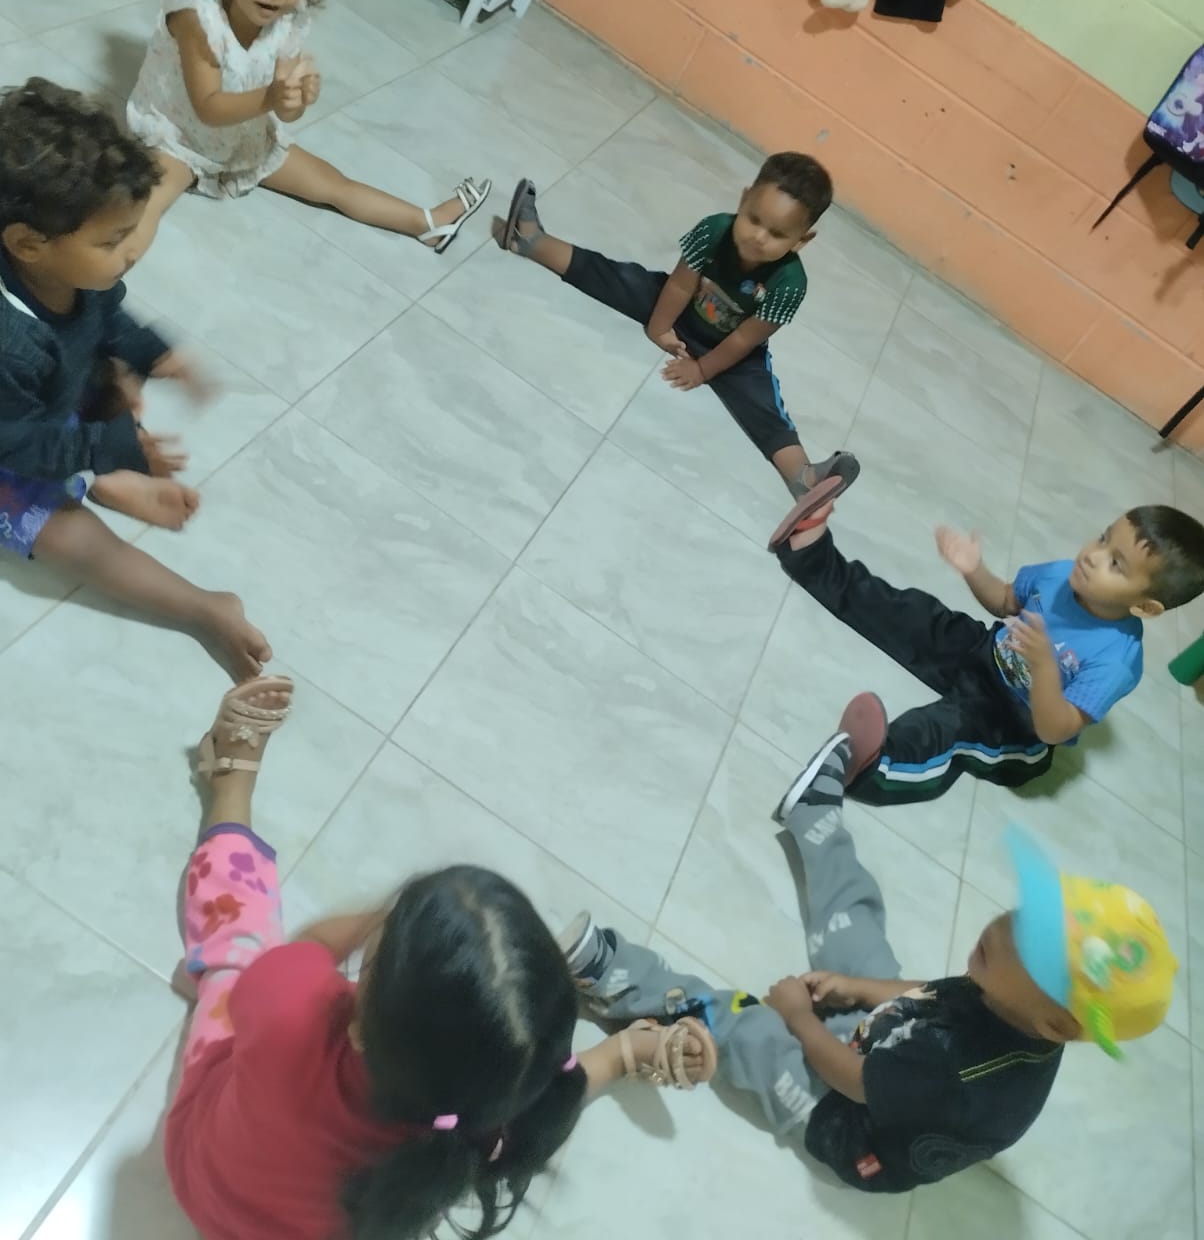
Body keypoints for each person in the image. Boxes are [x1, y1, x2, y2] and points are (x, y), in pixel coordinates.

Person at [168, 676, 717, 1240]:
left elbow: (310, 946)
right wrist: (625, 1052)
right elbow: (559, 1090)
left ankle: (229, 792)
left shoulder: (292, 1009)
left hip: (197, 1174)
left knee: (242, 946)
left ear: (358, 1029)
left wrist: (383, 915)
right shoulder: (480, 1128)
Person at [560, 734, 1178, 1194]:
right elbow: (935, 993)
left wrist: (799, 1019)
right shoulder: (1018, 1001)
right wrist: (857, 986)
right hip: (887, 1044)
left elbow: (854, 1080)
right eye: (1020, 915)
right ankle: (813, 814)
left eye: (1028, 947)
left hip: (844, 1120)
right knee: (856, 928)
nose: (999, 929)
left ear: (1058, 1024)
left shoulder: (958, 1076)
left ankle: (619, 982)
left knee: (746, 1026)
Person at [0, 78, 269, 680]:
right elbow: (17, 446)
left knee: (117, 380)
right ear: (29, 245)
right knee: (62, 535)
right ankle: (203, 608)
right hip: (11, 439)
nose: (133, 252)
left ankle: (103, 477)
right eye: (114, 240)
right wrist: (111, 447)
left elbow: (105, 318)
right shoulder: (8, 343)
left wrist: (152, 354)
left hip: (37, 406)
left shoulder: (68, 271)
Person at [126, 0, 490, 251]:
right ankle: (105, 269)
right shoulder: (197, 20)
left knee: (333, 185)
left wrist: (294, 99)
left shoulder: (286, 21)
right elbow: (208, 107)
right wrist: (270, 97)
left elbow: (286, 113)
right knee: (147, 203)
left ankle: (427, 223)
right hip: (181, 138)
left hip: (242, 140)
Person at [766, 495, 1204, 804]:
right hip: (986, 651)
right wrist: (974, 570)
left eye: (1116, 564)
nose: (1093, 555)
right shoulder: (1060, 574)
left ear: (1145, 607)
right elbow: (1005, 600)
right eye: (1104, 538)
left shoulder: (1117, 660)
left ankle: (865, 769)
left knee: (947, 728)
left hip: (1015, 723)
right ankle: (813, 559)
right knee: (912, 612)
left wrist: (1044, 670)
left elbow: (1055, 730)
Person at [493, 158, 858, 498]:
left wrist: (702, 370)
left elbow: (746, 337)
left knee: (763, 403)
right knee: (618, 277)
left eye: (777, 234)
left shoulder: (791, 284)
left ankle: (804, 479)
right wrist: (659, 327)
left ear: (801, 241)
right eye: (753, 219)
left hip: (732, 348)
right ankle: (530, 241)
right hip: (679, 308)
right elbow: (681, 285)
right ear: (744, 199)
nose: (758, 237)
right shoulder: (714, 229)